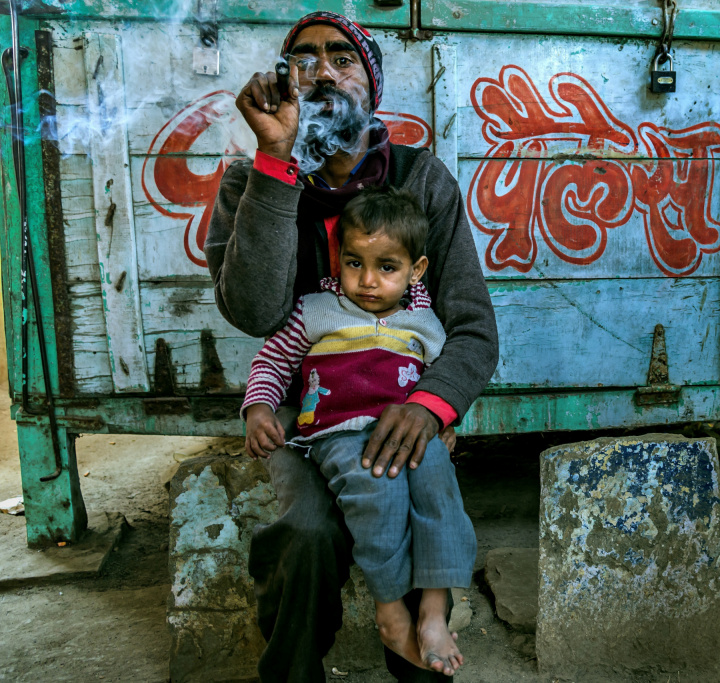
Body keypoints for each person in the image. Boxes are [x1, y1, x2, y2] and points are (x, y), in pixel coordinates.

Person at [205, 11, 499, 683]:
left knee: (422, 496)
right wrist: (276, 163)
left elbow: (475, 329)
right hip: (304, 417)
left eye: (343, 57)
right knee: (305, 536)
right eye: (304, 61)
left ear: (371, 81)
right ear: (286, 85)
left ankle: (422, 649)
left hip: (399, 401)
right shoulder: (249, 180)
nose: (324, 71)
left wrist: (430, 406)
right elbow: (255, 314)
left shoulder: (420, 181)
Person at [242, 186, 476, 676]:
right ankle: (391, 610)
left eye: (386, 268)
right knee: (380, 492)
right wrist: (259, 408)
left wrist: (446, 419)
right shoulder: (315, 311)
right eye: (354, 264)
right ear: (338, 259)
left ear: (416, 270)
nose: (367, 281)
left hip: (411, 434)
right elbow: (272, 361)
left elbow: (448, 375)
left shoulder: (426, 322)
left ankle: (433, 609)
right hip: (340, 433)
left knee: (439, 484)